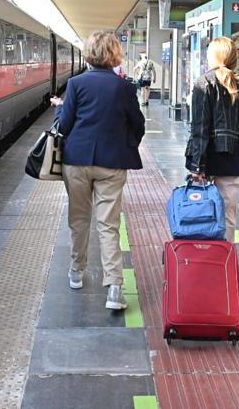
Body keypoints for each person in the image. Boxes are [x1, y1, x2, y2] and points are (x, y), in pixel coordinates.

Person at [50, 30, 145, 311]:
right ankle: (114, 287)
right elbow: (137, 125)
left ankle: (76, 272)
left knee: (78, 218)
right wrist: (124, 144)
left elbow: (64, 126)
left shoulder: (76, 84)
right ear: (115, 53)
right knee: (109, 224)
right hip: (112, 162)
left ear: (89, 53)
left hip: (77, 160)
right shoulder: (125, 87)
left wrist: (60, 109)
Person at [185, 37, 239, 243]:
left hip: (207, 159)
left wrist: (196, 166)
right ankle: (223, 266)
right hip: (234, 159)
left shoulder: (203, 83)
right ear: (235, 59)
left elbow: (199, 129)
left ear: (212, 57)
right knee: (228, 217)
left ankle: (204, 260)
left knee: (201, 214)